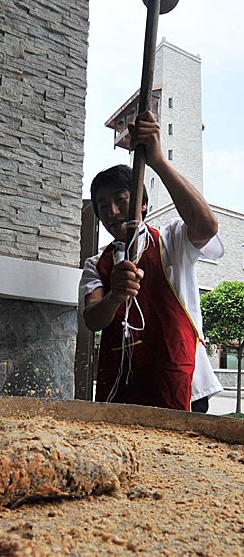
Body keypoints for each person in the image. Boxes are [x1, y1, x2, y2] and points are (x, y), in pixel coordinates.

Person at [79, 110, 223, 412]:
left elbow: (206, 226)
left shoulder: (171, 240)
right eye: (103, 205)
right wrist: (116, 296)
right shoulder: (98, 264)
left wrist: (157, 161)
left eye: (121, 199)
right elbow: (93, 319)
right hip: (122, 385)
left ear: (143, 203)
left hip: (178, 381)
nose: (113, 212)